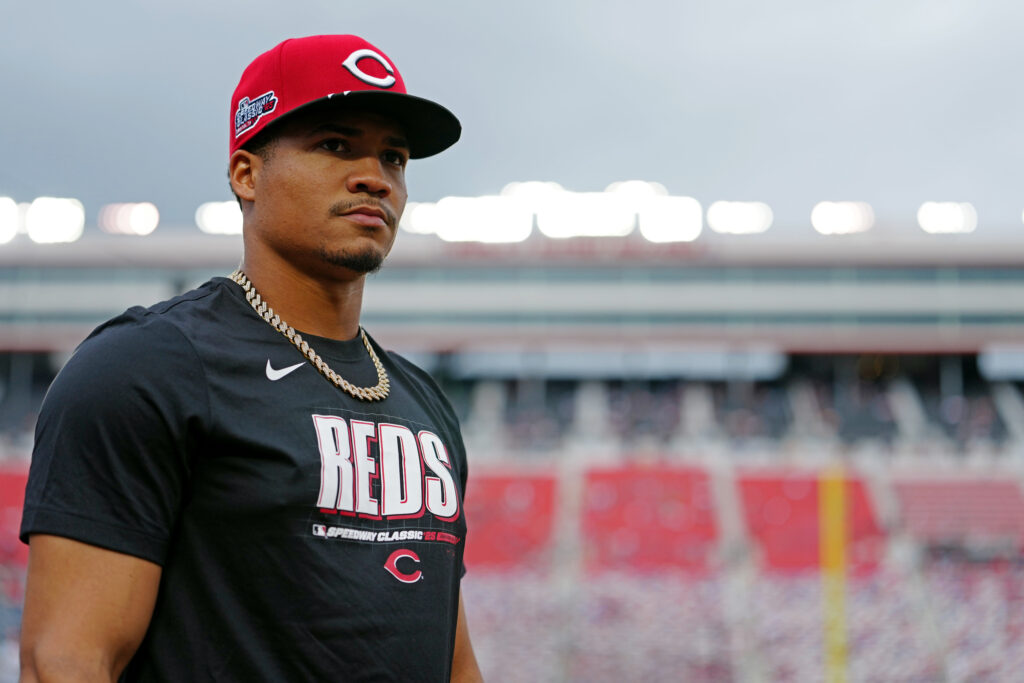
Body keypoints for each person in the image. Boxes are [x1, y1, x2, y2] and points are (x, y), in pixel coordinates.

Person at [19, 34, 483, 682]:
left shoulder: (422, 401)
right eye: (335, 145)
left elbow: (452, 657)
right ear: (246, 173)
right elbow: (65, 660)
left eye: (394, 157)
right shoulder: (146, 367)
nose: (374, 177)